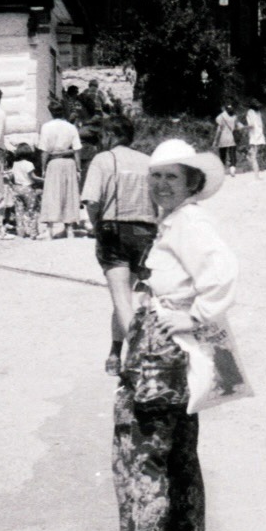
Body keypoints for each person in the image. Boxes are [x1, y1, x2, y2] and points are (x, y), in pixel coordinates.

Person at [98, 138, 236, 531]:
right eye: (155, 176)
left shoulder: (188, 224)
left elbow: (222, 272)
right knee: (177, 450)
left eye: (171, 177)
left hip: (163, 350)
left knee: (141, 449)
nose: (160, 185)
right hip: (177, 350)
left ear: (192, 182)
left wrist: (194, 316)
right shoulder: (177, 221)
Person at [81, 114, 157, 375]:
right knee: (124, 295)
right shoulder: (148, 162)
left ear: (109, 136)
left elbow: (91, 201)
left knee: (121, 298)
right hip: (145, 232)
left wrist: (95, 226)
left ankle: (140, 358)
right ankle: (115, 353)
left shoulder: (103, 160)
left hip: (114, 230)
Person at [37, 99, 85, 239]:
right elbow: (77, 149)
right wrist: (78, 168)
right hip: (69, 162)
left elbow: (44, 150)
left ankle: (50, 230)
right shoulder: (71, 127)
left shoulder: (46, 127)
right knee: (69, 194)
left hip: (54, 162)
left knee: (52, 194)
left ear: (51, 112)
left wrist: (43, 167)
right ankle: (69, 228)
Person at [213, 101, 241, 177]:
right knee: (232, 155)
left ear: (224, 109)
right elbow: (238, 127)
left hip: (222, 139)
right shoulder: (234, 117)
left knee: (222, 155)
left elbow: (219, 130)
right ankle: (232, 170)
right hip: (232, 139)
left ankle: (222, 171)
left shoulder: (220, 117)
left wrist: (215, 140)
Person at [243, 105, 266, 179]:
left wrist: (243, 127)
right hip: (259, 135)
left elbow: (251, 125)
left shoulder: (250, 112)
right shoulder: (258, 112)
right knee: (252, 155)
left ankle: (257, 176)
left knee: (253, 157)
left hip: (254, 137)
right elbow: (261, 125)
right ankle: (256, 174)